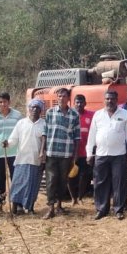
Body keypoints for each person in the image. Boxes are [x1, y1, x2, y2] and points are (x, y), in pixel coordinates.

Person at [87, 90, 127, 220]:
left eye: (112, 99)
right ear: (104, 100)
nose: (110, 101)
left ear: (117, 100)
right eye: (107, 99)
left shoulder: (124, 114)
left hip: (119, 155)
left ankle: (119, 209)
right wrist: (89, 153)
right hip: (101, 154)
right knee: (100, 183)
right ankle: (101, 209)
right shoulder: (98, 115)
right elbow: (92, 135)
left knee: (119, 183)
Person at [40, 88, 80, 219]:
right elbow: (45, 133)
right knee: (51, 180)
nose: (61, 98)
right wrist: (42, 151)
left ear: (69, 98)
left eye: (64, 96)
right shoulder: (50, 113)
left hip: (66, 154)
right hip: (51, 152)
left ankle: (59, 205)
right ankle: (50, 208)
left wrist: (75, 155)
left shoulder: (74, 115)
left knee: (63, 181)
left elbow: (77, 137)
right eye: (59, 96)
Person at [5, 99, 46, 215]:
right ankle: (15, 207)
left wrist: (43, 157)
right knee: (18, 183)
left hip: (36, 160)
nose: (34, 110)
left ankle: (30, 208)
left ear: (40, 110)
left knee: (33, 185)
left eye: (37, 108)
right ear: (28, 109)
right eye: (32, 107)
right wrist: (7, 143)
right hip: (22, 159)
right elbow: (13, 139)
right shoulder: (21, 123)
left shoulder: (44, 124)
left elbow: (45, 140)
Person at [0, 92, 23, 212]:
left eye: (5, 102)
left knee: (16, 179)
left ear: (9, 102)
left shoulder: (17, 116)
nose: (3, 104)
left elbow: (22, 133)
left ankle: (18, 204)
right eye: (0, 102)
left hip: (15, 152)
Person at [70, 94, 95, 205]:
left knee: (84, 175)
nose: (79, 104)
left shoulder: (92, 115)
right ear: (73, 103)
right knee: (70, 176)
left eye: (81, 102)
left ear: (85, 103)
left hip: (85, 152)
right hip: (71, 152)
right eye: (77, 102)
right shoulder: (69, 115)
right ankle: (73, 198)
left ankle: (80, 197)